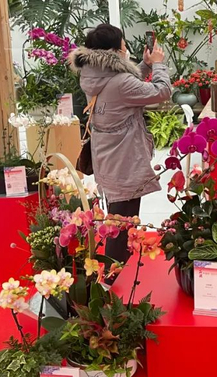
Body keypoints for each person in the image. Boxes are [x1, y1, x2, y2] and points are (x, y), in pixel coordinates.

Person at [69, 23, 171, 263]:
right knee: (122, 224)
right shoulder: (121, 82)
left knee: (117, 218)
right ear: (114, 52)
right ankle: (113, 275)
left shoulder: (92, 74)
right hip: (125, 159)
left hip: (108, 156)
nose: (126, 50)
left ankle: (115, 269)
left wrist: (144, 65)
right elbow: (161, 91)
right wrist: (158, 64)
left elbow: (124, 86)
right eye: (124, 46)